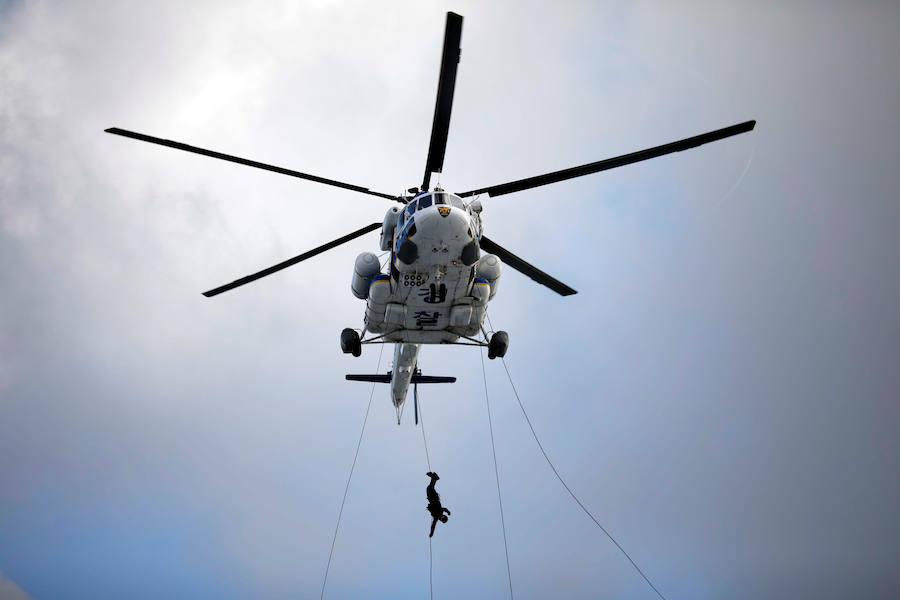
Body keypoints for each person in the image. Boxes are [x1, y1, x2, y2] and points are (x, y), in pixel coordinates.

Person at [426, 471, 451, 537]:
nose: (441, 518)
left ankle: (434, 478)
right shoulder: (440, 512)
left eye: (441, 519)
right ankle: (434, 478)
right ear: (443, 516)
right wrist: (448, 512)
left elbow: (433, 526)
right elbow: (444, 509)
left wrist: (431, 533)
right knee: (430, 488)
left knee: (429, 488)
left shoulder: (436, 517)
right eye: (443, 517)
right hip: (434, 498)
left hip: (431, 499)